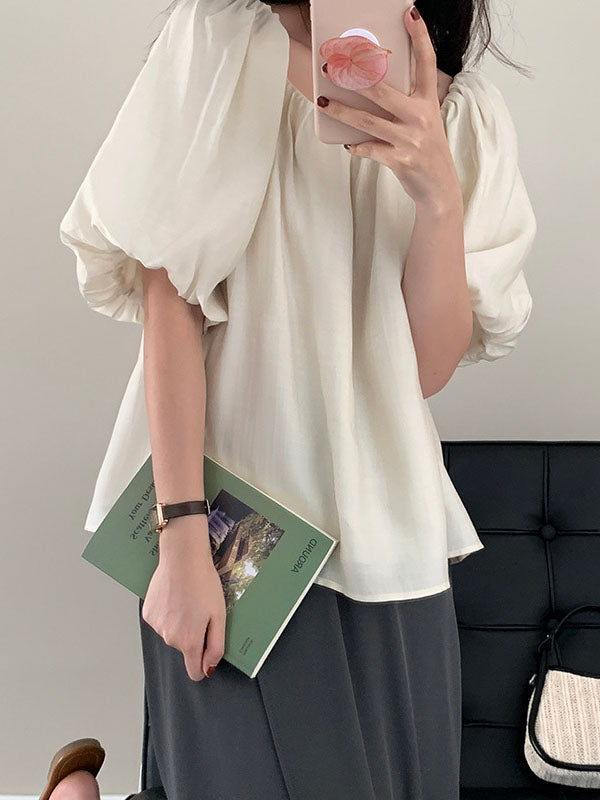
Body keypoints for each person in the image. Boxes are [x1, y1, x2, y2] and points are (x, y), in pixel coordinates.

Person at [58, 0, 537, 797]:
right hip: (233, 525)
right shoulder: (219, 44)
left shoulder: (463, 114)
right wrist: (182, 540)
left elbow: (421, 369)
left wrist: (438, 199)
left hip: (386, 537)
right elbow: (169, 302)